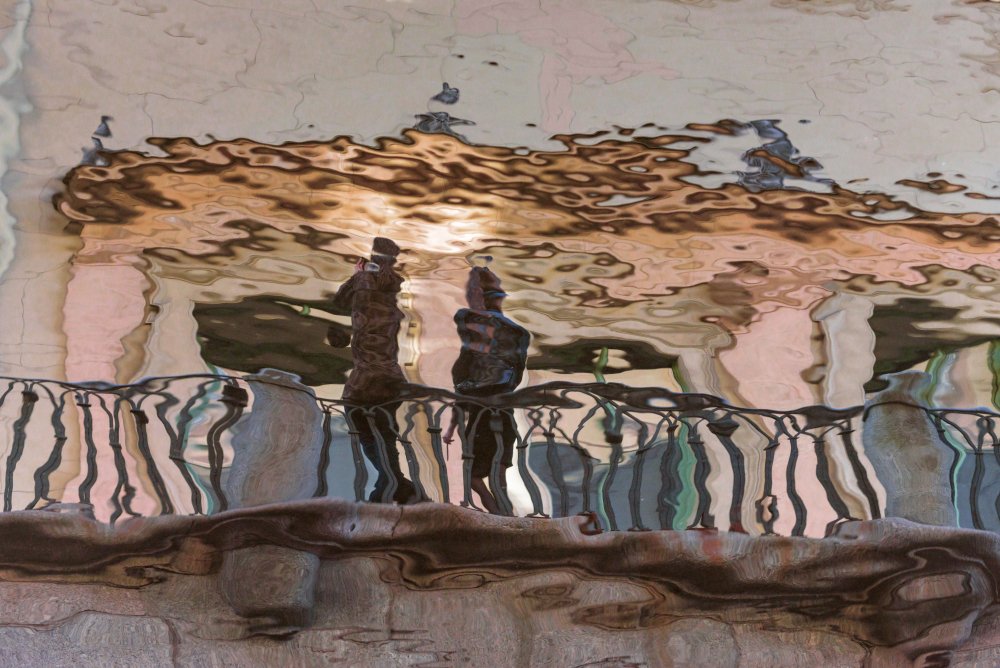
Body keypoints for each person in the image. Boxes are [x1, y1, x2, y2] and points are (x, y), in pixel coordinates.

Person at [330, 237, 419, 504]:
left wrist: (358, 274)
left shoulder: (365, 283)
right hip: (392, 377)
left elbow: (340, 301)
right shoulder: (393, 284)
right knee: (385, 435)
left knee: (361, 425)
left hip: (366, 377)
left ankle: (393, 482)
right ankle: (391, 486)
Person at [443, 263, 530, 514]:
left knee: (474, 476)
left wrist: (452, 426)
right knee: (498, 477)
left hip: (481, 419)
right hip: (504, 415)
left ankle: (500, 517)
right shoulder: (518, 333)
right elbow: (515, 375)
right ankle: (506, 519)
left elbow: (461, 382)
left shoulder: (470, 328)